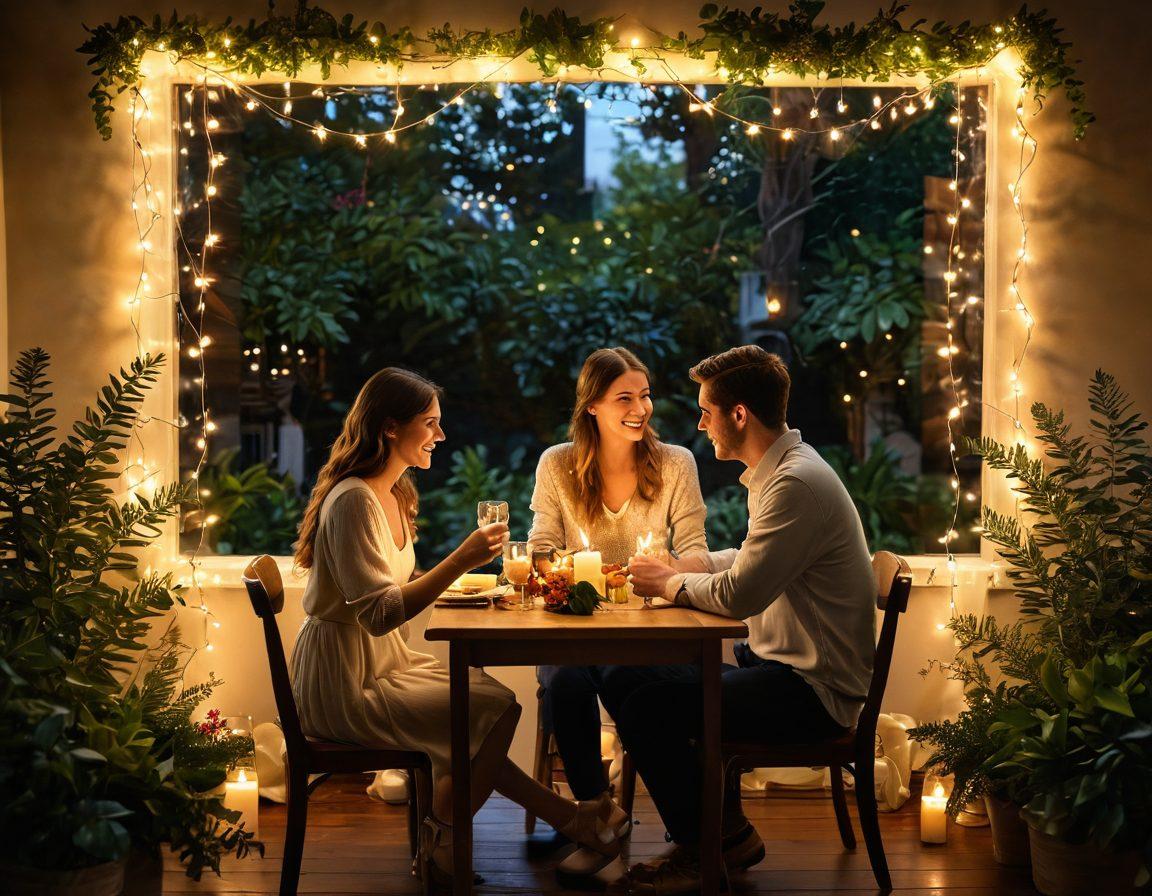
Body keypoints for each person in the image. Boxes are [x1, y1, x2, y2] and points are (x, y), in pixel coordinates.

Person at [289, 367, 620, 887]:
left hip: (378, 663)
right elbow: (380, 614)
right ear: (391, 428)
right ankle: (448, 841)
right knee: (488, 710)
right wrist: (461, 561)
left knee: (486, 705)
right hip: (346, 680)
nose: (441, 436)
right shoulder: (354, 500)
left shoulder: (392, 492)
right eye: (430, 424)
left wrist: (463, 582)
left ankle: (560, 819)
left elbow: (396, 583)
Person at [612, 345, 877, 895]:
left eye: (707, 410)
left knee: (647, 707)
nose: (700, 422)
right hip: (779, 670)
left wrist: (668, 584)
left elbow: (741, 595)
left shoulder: (794, 484)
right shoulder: (778, 473)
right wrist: (691, 565)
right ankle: (725, 833)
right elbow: (752, 560)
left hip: (812, 691)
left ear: (740, 414)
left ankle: (706, 847)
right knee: (624, 676)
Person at [527, 346, 708, 874]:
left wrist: (668, 568)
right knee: (565, 680)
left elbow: (698, 549)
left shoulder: (676, 463)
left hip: (649, 628)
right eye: (624, 398)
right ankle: (595, 814)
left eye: (645, 395)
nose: (641, 408)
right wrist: (567, 571)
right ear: (593, 407)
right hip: (574, 624)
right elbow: (540, 549)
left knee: (619, 671)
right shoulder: (556, 465)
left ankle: (686, 831)